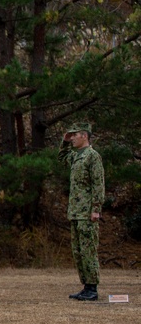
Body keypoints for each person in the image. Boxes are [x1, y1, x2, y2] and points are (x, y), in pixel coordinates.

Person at [59, 123, 105, 301]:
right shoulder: (76, 156)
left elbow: (98, 184)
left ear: (84, 136)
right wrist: (63, 142)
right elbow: (62, 157)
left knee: (88, 250)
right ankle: (86, 286)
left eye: (75, 135)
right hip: (76, 212)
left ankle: (92, 288)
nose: (72, 138)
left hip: (87, 212)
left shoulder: (92, 156)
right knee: (78, 251)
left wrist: (96, 209)